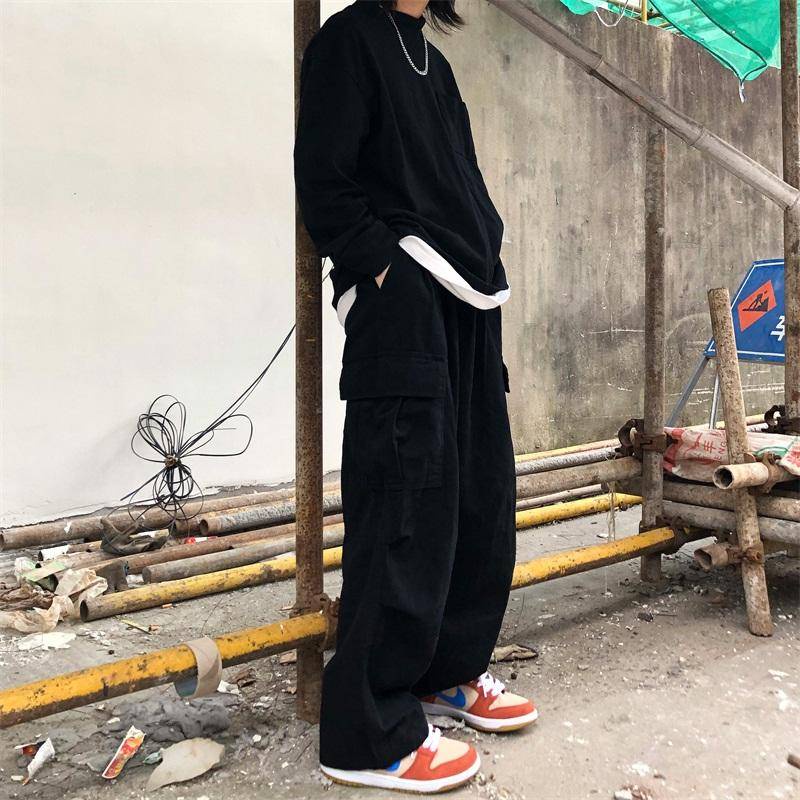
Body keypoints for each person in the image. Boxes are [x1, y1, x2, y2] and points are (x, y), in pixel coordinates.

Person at [294, 0, 538, 793]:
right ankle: (367, 731)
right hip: (404, 299)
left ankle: (445, 674)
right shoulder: (348, 41)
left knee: (478, 498)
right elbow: (324, 179)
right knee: (404, 502)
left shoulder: (437, 61)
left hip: (469, 298)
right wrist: (382, 269)